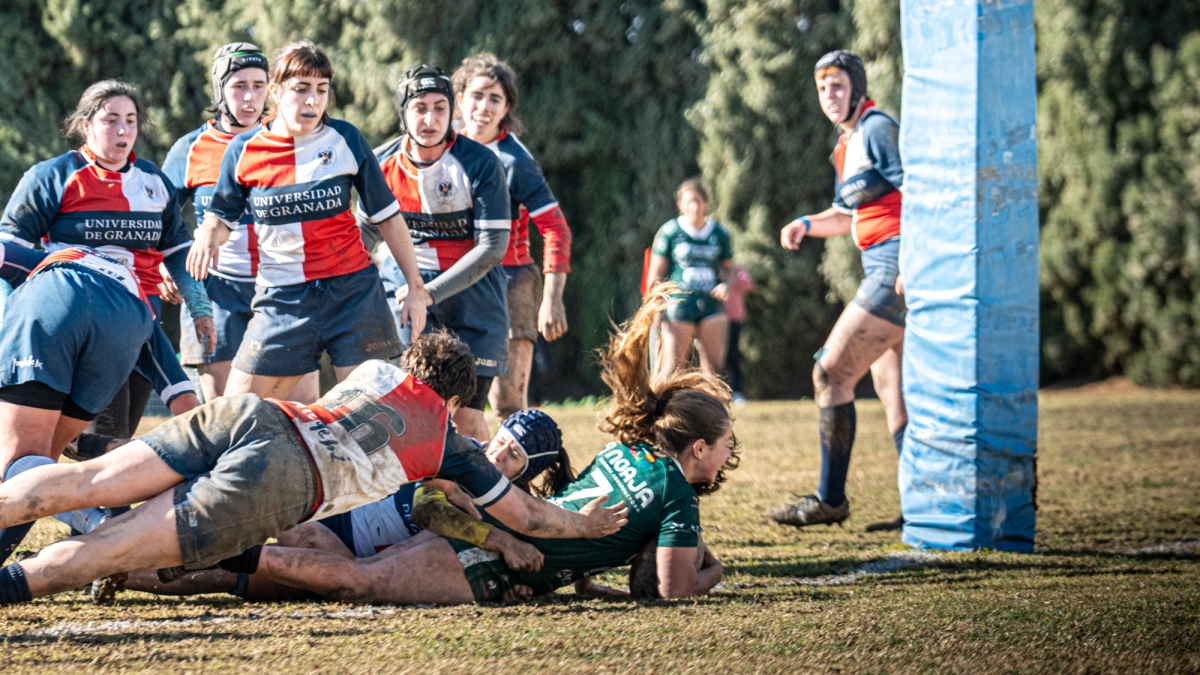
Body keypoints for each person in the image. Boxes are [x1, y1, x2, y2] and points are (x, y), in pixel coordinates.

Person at [0, 330, 628, 606]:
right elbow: (526, 515)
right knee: (107, 549)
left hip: (256, 414)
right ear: (456, 400)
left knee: (85, 481)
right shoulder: (448, 443)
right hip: (285, 480)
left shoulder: (378, 371)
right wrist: (586, 527)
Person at [197, 286, 734, 605]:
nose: (731, 452)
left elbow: (572, 509)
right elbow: (670, 587)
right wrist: (714, 570)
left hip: (468, 543)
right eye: (727, 442)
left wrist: (577, 573)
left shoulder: (625, 453)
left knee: (300, 573)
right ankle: (208, 554)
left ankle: (174, 566)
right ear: (701, 448)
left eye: (515, 456)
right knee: (349, 579)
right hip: (477, 556)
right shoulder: (676, 497)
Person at [187, 41, 433, 401]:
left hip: (352, 292)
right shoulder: (243, 150)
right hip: (282, 298)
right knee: (236, 412)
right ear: (275, 91)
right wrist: (209, 233)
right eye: (301, 89)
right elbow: (222, 217)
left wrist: (415, 287)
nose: (313, 101)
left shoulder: (346, 138)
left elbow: (388, 218)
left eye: (322, 90)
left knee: (373, 413)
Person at [120, 408, 571, 601]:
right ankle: (120, 491)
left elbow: (498, 567)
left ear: (527, 474)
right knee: (231, 519)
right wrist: (494, 539)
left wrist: (509, 591)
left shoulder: (520, 514)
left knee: (240, 582)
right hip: (328, 518)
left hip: (348, 557)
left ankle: (122, 572)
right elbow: (426, 510)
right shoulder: (466, 454)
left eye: (513, 456)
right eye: (503, 441)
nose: (497, 455)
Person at [0, 79, 214, 456]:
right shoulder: (51, 176)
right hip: (80, 322)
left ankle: (86, 503)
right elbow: (9, 254)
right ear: (86, 125)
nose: (123, 130)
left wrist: (199, 307)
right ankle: (95, 510)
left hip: (140, 318)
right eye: (111, 119)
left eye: (131, 121)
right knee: (104, 433)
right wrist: (12, 319)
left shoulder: (153, 182)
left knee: (120, 432)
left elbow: (178, 249)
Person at [768, 50, 907, 531]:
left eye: (838, 84)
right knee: (896, 393)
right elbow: (846, 214)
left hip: (894, 267)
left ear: (857, 87)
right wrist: (806, 223)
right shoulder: (846, 145)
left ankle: (830, 499)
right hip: (882, 264)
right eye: (823, 86)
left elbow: (921, 193)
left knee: (830, 373)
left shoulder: (877, 128)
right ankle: (922, 510)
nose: (830, 94)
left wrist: (912, 260)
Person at [0, 244, 199, 561]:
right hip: (128, 319)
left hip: (57, 294)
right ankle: (106, 529)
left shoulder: (40, 260)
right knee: (39, 467)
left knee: (17, 464)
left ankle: (101, 524)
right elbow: (183, 398)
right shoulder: (137, 297)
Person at [360, 64, 511, 442]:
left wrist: (429, 293)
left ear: (452, 111)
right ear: (402, 114)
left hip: (473, 298)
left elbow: (493, 248)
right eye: (419, 107)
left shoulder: (480, 162)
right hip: (407, 294)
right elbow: (363, 233)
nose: (430, 118)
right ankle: (427, 499)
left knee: (468, 422)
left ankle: (493, 498)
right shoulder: (380, 163)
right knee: (413, 414)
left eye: (440, 108)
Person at [163, 43, 319, 403]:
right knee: (226, 419)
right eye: (239, 86)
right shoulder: (190, 148)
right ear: (219, 89)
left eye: (259, 85)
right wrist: (165, 263)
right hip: (216, 293)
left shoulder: (290, 141)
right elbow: (160, 217)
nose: (250, 98)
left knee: (301, 416)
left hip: (285, 288)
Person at [448, 54, 573, 424]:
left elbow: (556, 229)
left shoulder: (515, 160)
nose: (483, 107)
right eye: (477, 95)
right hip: (455, 280)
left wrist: (551, 300)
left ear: (507, 108)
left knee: (507, 404)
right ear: (459, 98)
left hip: (510, 281)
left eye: (495, 99)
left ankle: (516, 480)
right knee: (450, 398)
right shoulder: (442, 144)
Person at [647, 180, 734, 380]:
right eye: (689, 202)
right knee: (672, 366)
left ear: (706, 204)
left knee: (714, 369)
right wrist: (654, 304)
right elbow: (656, 271)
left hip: (711, 303)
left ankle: (711, 409)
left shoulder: (720, 233)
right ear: (680, 204)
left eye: (698, 201)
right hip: (679, 303)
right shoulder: (670, 232)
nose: (694, 207)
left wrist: (726, 285)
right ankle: (662, 408)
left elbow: (729, 269)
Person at [724, 263, 754, 405]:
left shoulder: (737, 269)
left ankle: (736, 391)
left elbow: (748, 285)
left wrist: (730, 277)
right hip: (714, 319)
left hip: (734, 318)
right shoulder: (711, 267)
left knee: (733, 355)